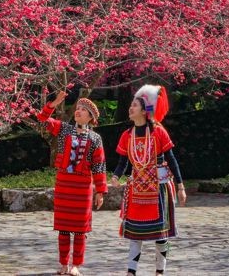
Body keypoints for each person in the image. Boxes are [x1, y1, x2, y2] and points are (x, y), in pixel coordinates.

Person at [111, 84, 186, 276]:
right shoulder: (127, 136)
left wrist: (180, 186)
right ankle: (131, 271)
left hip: (159, 188)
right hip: (137, 189)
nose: (130, 108)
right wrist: (115, 176)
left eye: (135, 105)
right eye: (131, 105)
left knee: (161, 235)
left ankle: (160, 271)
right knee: (135, 234)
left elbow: (171, 159)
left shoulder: (158, 132)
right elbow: (122, 162)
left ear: (144, 111)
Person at [36, 88, 108, 276]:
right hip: (64, 185)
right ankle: (63, 263)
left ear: (91, 117)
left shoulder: (95, 138)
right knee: (63, 228)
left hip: (83, 188)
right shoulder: (64, 129)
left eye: (83, 110)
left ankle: (76, 264)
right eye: (77, 108)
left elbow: (99, 166)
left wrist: (100, 191)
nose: (78, 111)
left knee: (80, 230)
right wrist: (52, 104)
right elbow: (42, 120)